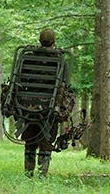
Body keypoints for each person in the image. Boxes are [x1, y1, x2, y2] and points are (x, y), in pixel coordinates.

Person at [22, 28, 70, 179]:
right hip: (50, 105)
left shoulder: (27, 58)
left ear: (39, 41)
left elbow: (21, 81)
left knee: (30, 137)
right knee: (47, 138)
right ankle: (42, 174)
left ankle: (28, 173)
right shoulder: (60, 60)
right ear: (53, 42)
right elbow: (66, 85)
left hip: (28, 105)